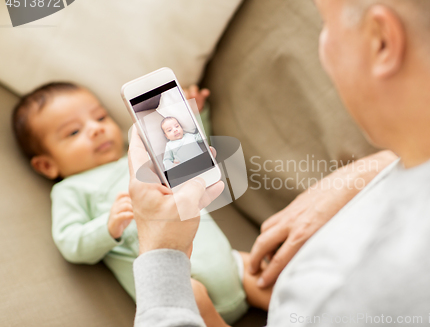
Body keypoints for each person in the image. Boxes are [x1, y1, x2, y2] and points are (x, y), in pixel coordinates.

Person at [129, 0, 430, 325]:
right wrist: (368, 173)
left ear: (382, 41)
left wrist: (162, 252)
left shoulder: (337, 288)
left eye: (326, 24)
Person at [11, 82, 270, 326]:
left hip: (231, 263)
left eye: (100, 117)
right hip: (182, 285)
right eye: (74, 132)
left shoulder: (142, 152)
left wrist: (195, 117)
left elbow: (188, 153)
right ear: (47, 165)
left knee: (271, 272)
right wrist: (108, 226)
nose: (96, 128)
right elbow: (70, 241)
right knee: (194, 293)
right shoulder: (71, 189)